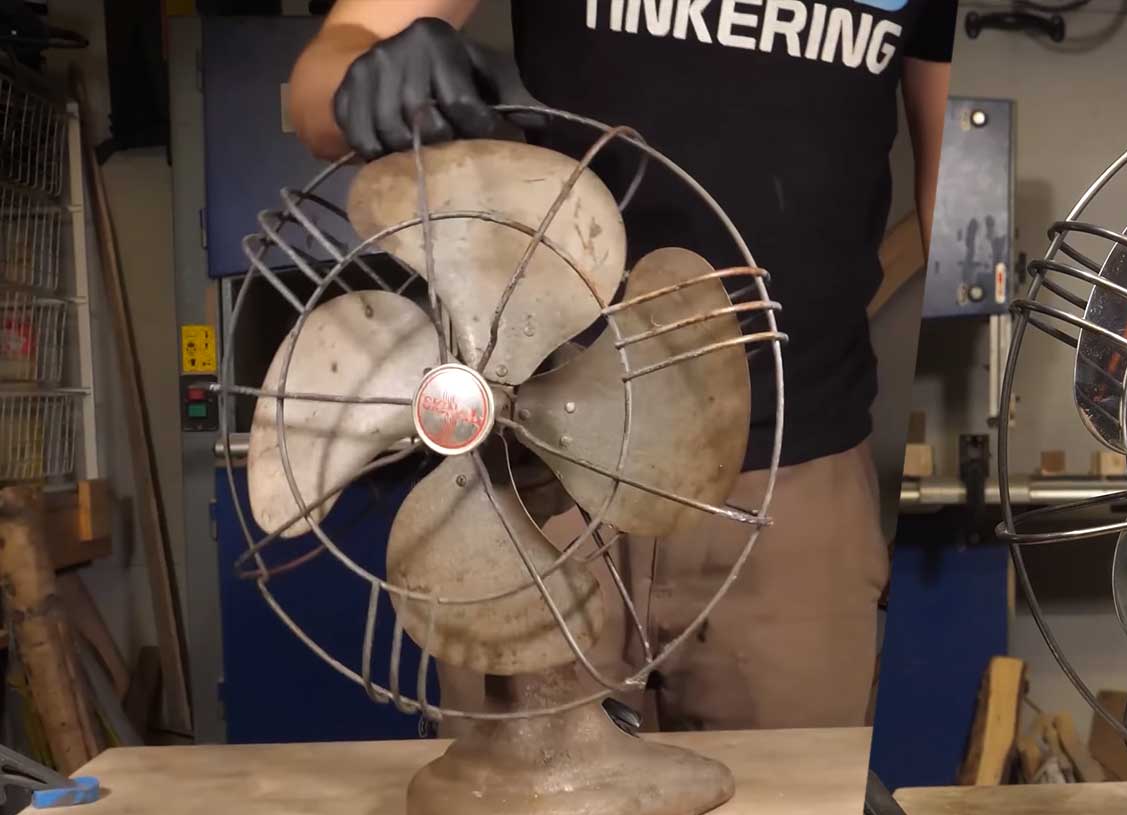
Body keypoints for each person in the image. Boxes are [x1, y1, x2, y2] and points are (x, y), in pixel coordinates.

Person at [289, 0, 954, 730]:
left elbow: (950, 201)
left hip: (795, 497)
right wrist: (368, 76)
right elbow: (319, 84)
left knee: (792, 801)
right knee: (506, 799)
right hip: (540, 481)